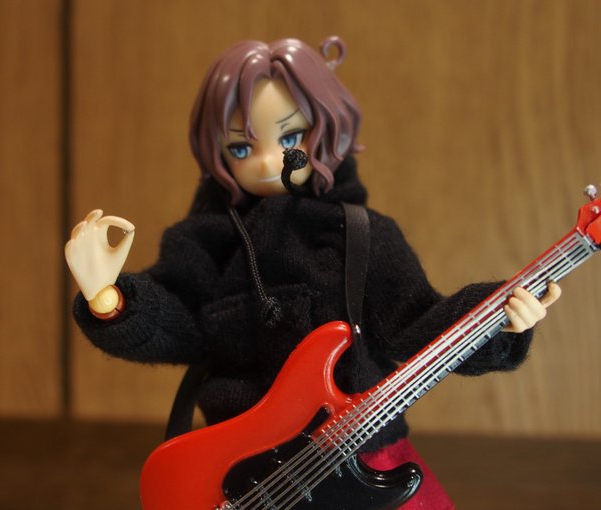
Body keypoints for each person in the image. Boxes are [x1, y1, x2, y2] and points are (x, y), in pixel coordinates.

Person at [65, 37, 560, 509]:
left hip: (361, 456)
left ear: (328, 131)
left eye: (290, 137)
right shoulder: (204, 242)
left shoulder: (362, 237)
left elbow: (417, 324)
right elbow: (178, 323)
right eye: (241, 148)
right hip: (245, 478)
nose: (267, 161)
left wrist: (498, 322)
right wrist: (108, 297)